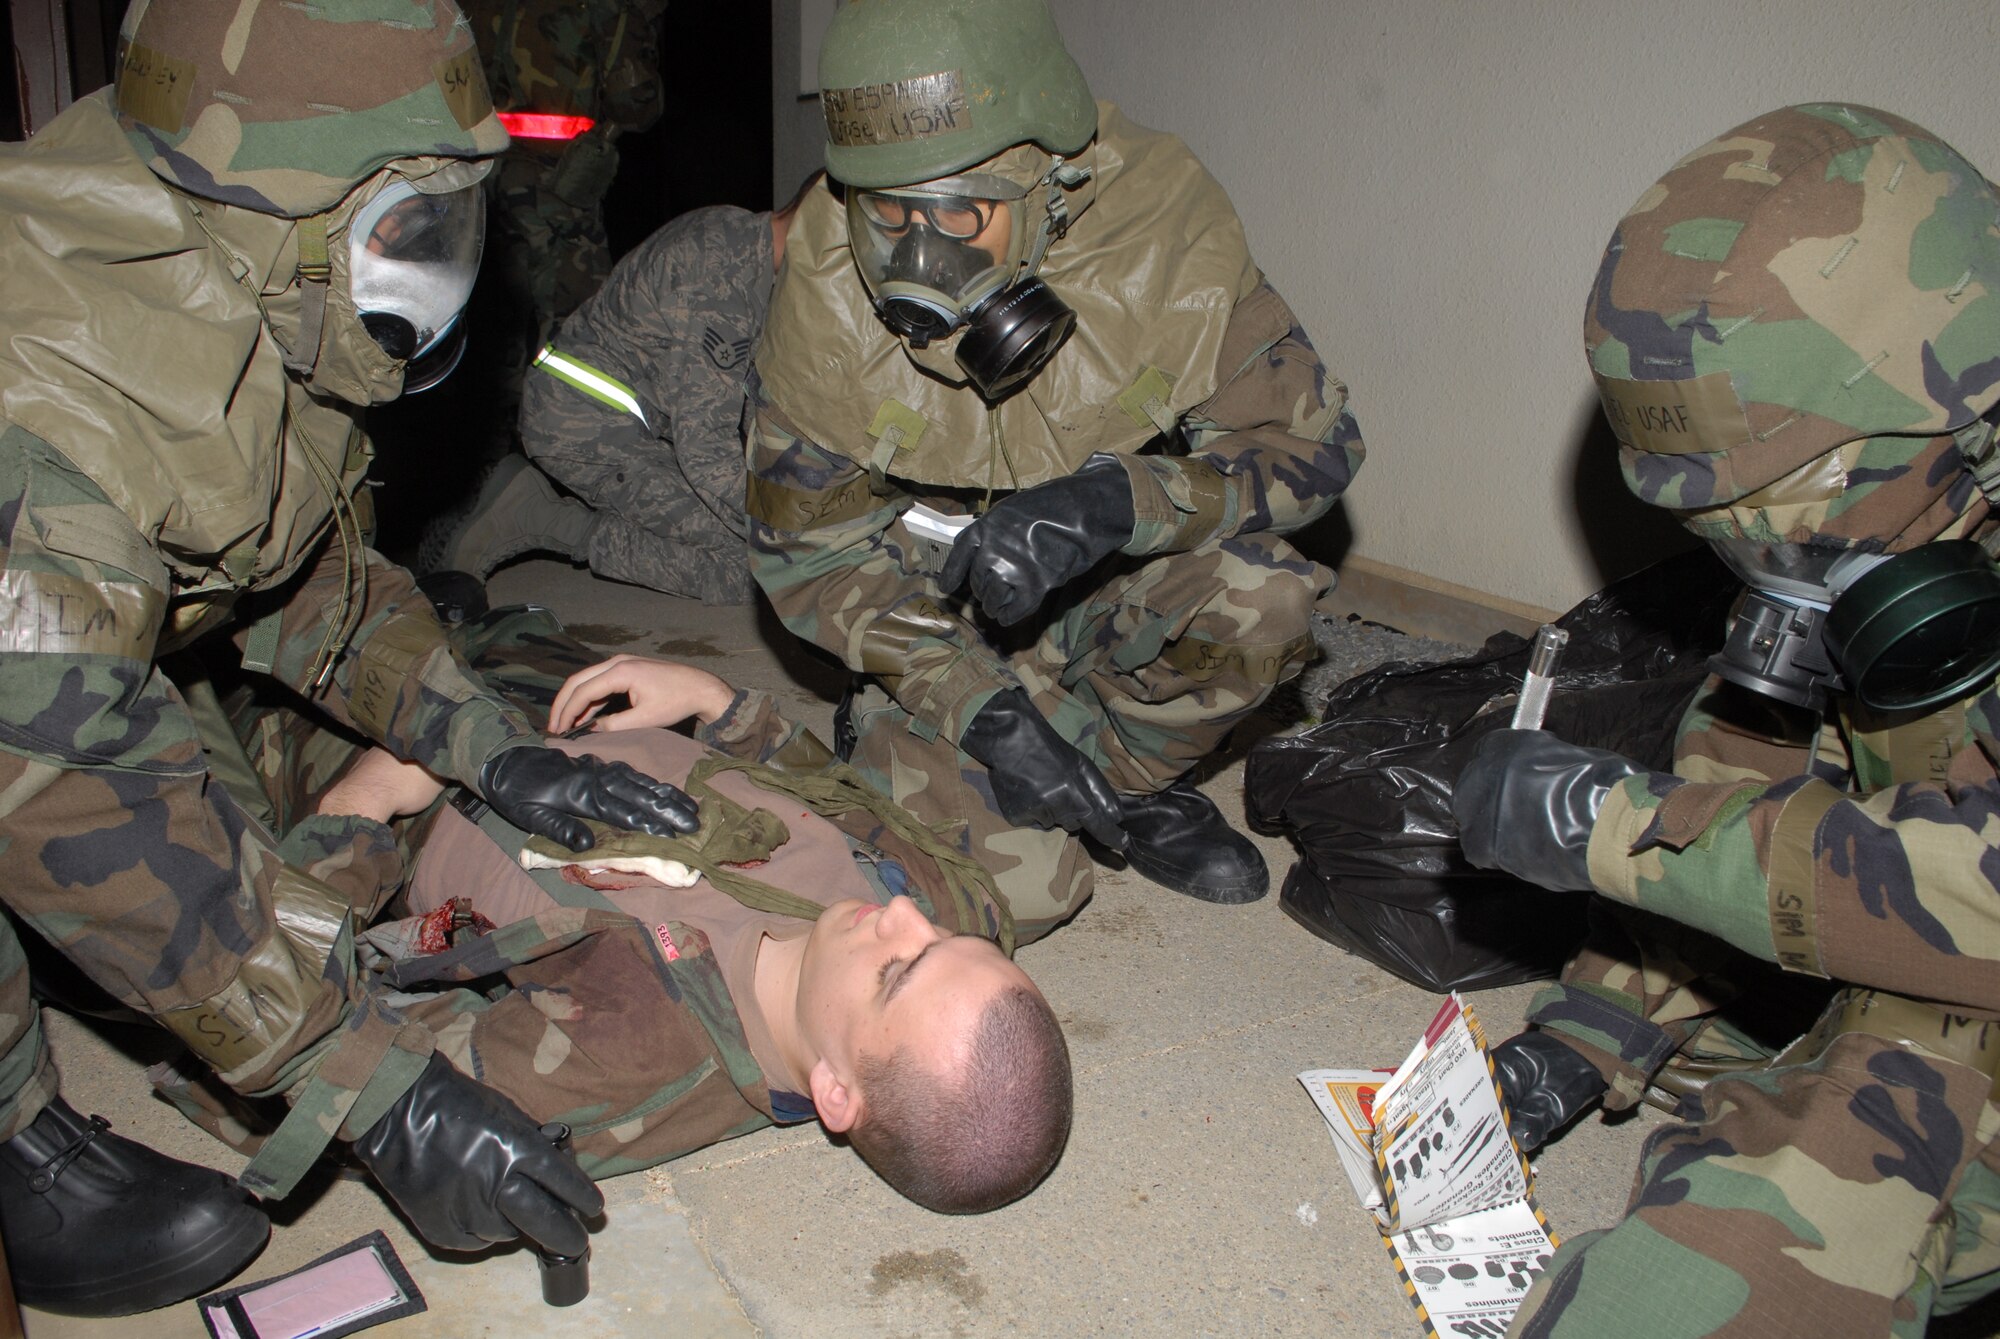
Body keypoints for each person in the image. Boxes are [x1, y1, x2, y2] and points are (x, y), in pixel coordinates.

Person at [0, 0, 708, 1313]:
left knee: (236, 852)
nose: (435, 273)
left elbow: (309, 581)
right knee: (136, 863)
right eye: (406, 229)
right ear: (278, 211)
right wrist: (377, 1084)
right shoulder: (41, 420)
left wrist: (490, 747)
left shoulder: (235, 280)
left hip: (68, 667)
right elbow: (60, 774)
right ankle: (15, 1138)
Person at [1452, 104, 2000, 1335]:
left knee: (1688, 1290)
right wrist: (1591, 1029)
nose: (1759, 556)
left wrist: (1609, 823)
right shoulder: (1895, 525)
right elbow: (1744, 763)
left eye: (1787, 497)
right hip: (1913, 946)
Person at [748, 0, 1364, 921]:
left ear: (1051, 184)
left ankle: (1130, 781)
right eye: (887, 211)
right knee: (1017, 894)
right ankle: (918, 730)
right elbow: (813, 559)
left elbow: (1313, 449)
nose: (919, 254)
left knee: (1261, 599)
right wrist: (984, 713)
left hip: (1101, 597)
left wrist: (1118, 502)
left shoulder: (1164, 242)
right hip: (932, 627)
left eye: (964, 216)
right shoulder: (821, 304)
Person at [299, 647, 1071, 1214]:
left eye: (896, 970)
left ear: (836, 1090)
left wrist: (361, 807)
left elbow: (319, 1063)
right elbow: (825, 797)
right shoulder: (934, 907)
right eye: (938, 937)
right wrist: (715, 701)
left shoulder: (630, 1055)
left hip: (395, 777)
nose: (905, 918)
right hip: (555, 687)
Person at [420, 180, 813, 600]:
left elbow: (752, 406)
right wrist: (795, 530)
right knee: (750, 569)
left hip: (615, 421)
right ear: (818, 224)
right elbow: (706, 448)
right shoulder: (725, 271)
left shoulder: (747, 248)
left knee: (766, 547)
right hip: (581, 426)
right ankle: (539, 517)